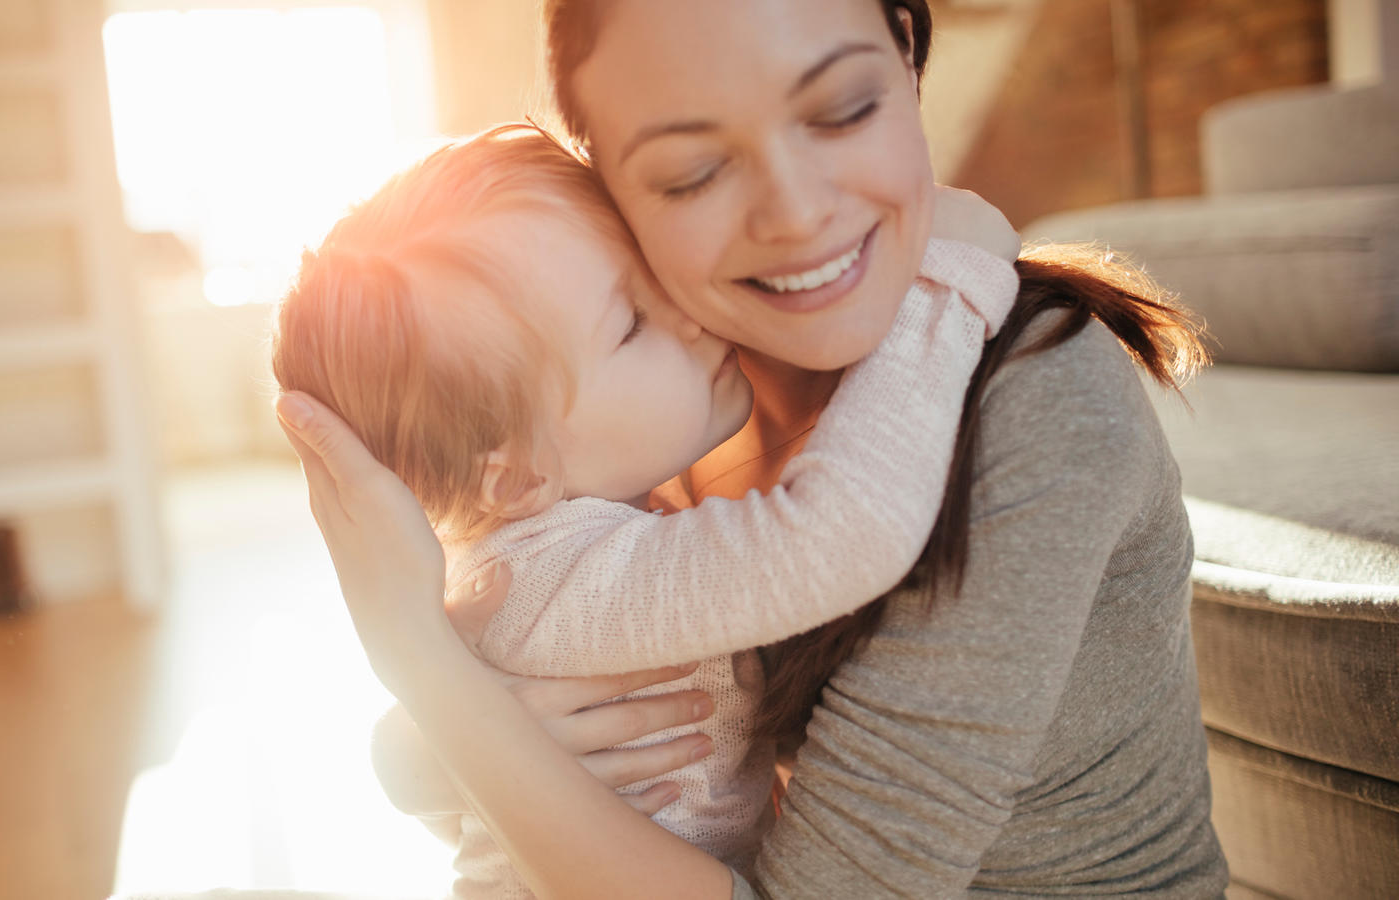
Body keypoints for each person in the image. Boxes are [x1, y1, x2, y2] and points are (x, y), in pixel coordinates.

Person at [275, 0, 1229, 895]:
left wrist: (444, 699)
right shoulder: (669, 405)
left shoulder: (1040, 406)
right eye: (694, 171)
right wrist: (429, 724)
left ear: (908, 57)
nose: (795, 213)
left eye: (844, 109)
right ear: (609, 184)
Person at [273, 122, 1019, 897]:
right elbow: (836, 537)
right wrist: (940, 286)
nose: (688, 315)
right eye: (631, 324)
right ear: (517, 477)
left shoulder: (555, 546)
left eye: (648, 277)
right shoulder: (559, 581)